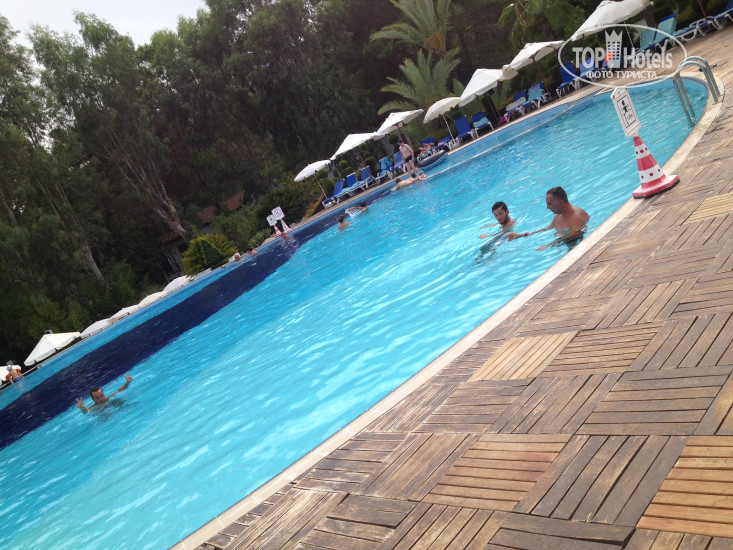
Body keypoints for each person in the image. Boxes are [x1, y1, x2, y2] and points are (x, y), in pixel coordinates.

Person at [507, 187, 589, 250]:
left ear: (560, 203)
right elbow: (547, 229)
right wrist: (521, 235)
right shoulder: (557, 218)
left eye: (549, 204)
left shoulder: (576, 217)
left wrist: (547, 245)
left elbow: (572, 235)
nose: (547, 207)